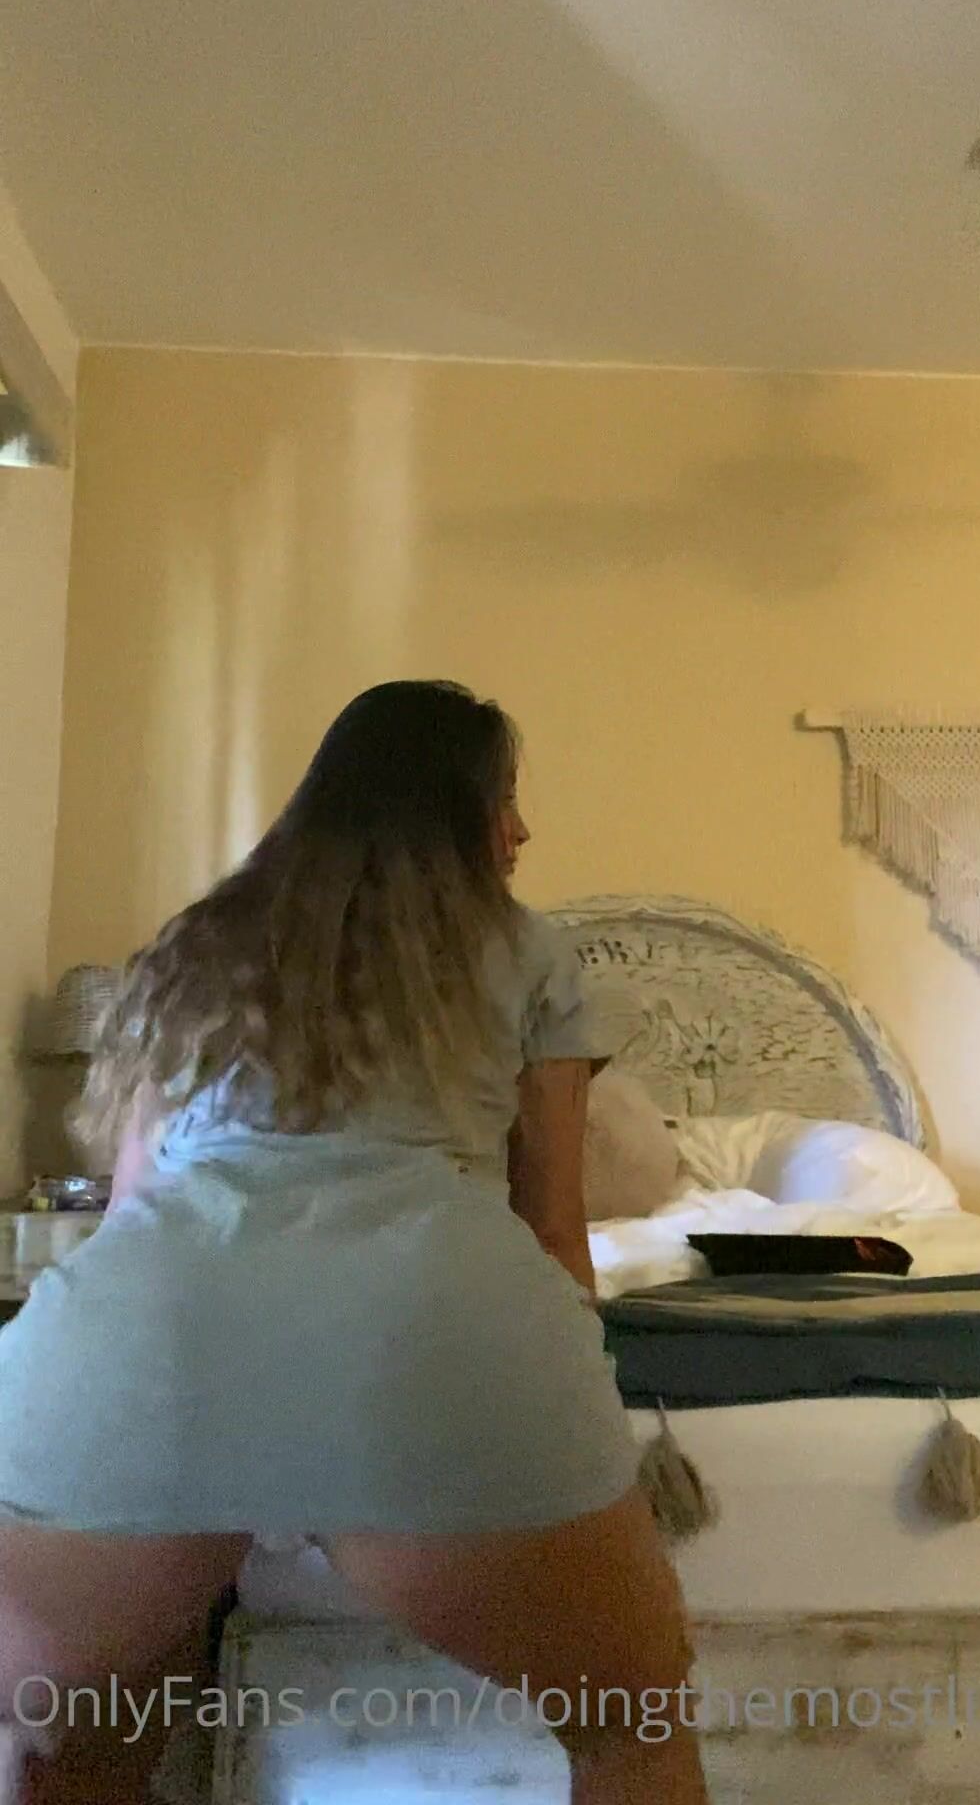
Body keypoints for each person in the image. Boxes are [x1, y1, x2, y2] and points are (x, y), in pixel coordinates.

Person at [0, 681, 707, 1803]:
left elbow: (134, 1209)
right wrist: (569, 1406)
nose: (521, 830)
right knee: (633, 1729)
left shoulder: (194, 947)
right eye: (505, 798)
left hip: (146, 1342)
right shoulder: (526, 950)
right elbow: (553, 1229)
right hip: (428, 1333)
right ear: (453, 810)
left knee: (82, 1753)